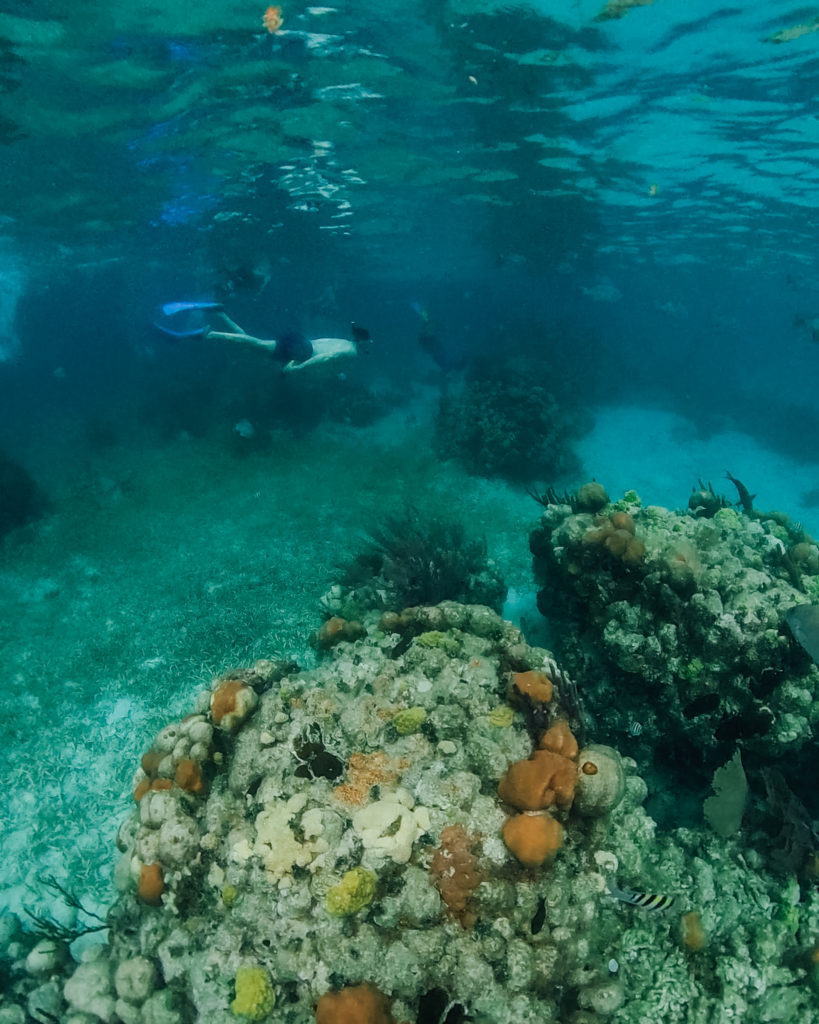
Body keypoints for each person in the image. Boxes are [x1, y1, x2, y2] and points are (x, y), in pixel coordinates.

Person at [154, 302, 370, 373]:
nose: (368, 349)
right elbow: (324, 359)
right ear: (361, 342)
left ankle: (221, 313)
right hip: (300, 351)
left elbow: (321, 345)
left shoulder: (345, 341)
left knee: (252, 343)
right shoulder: (350, 351)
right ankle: (209, 334)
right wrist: (296, 370)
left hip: (301, 342)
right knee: (254, 344)